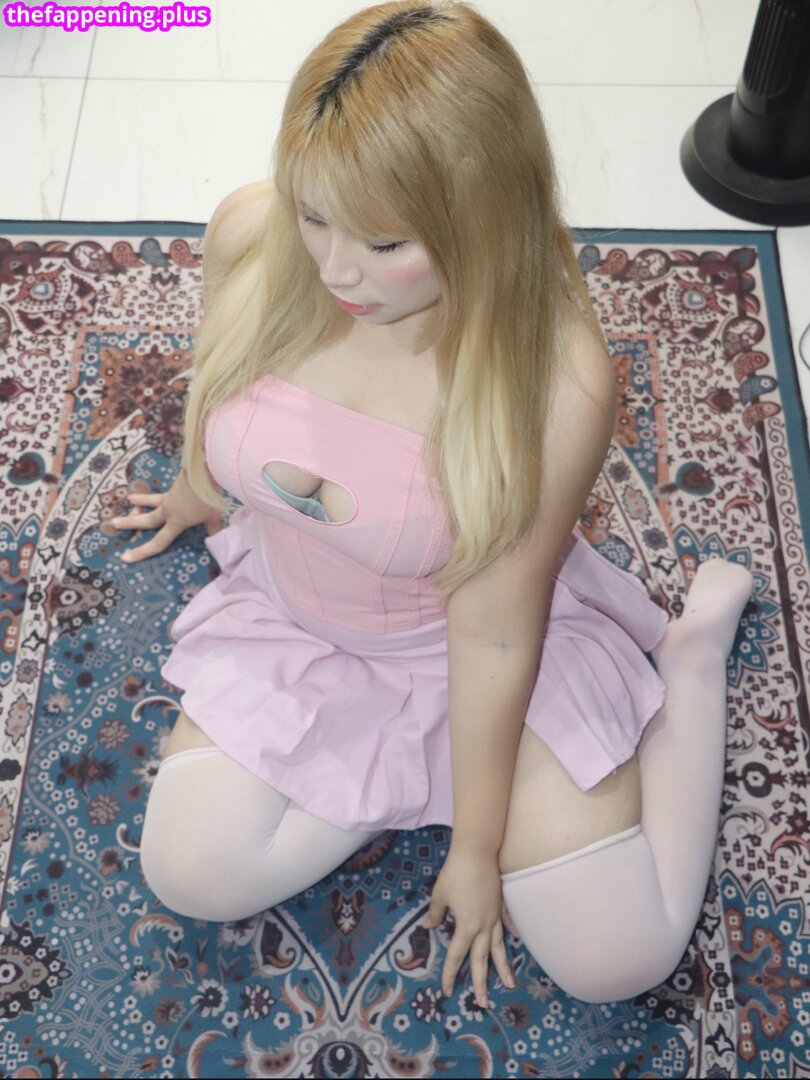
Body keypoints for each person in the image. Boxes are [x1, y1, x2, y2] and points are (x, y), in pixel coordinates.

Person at [111, 0, 754, 1007]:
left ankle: (691, 657)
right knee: (190, 873)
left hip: (475, 655)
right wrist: (201, 487)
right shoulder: (251, 232)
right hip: (298, 623)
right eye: (313, 214)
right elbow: (220, 372)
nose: (334, 270)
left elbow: (494, 635)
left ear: (477, 216)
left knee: (615, 961)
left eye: (383, 241)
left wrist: (477, 847)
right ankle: (390, 769)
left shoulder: (553, 381)